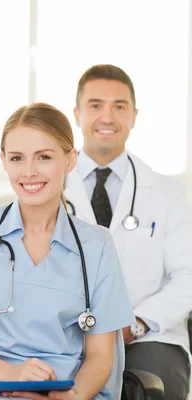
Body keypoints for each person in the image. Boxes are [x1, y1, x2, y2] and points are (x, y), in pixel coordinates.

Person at [0, 103, 134, 399]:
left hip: (66, 390)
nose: (29, 172)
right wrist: (10, 375)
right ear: (4, 162)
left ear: (70, 160)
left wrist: (72, 396)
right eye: (17, 158)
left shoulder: (96, 246)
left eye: (44, 157)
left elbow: (99, 356)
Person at [65, 64, 192, 399]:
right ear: (77, 113)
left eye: (119, 107)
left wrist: (136, 324)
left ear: (134, 116)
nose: (107, 117)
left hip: (148, 334)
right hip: (67, 334)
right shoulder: (49, 187)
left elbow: (187, 276)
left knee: (155, 386)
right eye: (95, 105)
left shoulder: (167, 193)